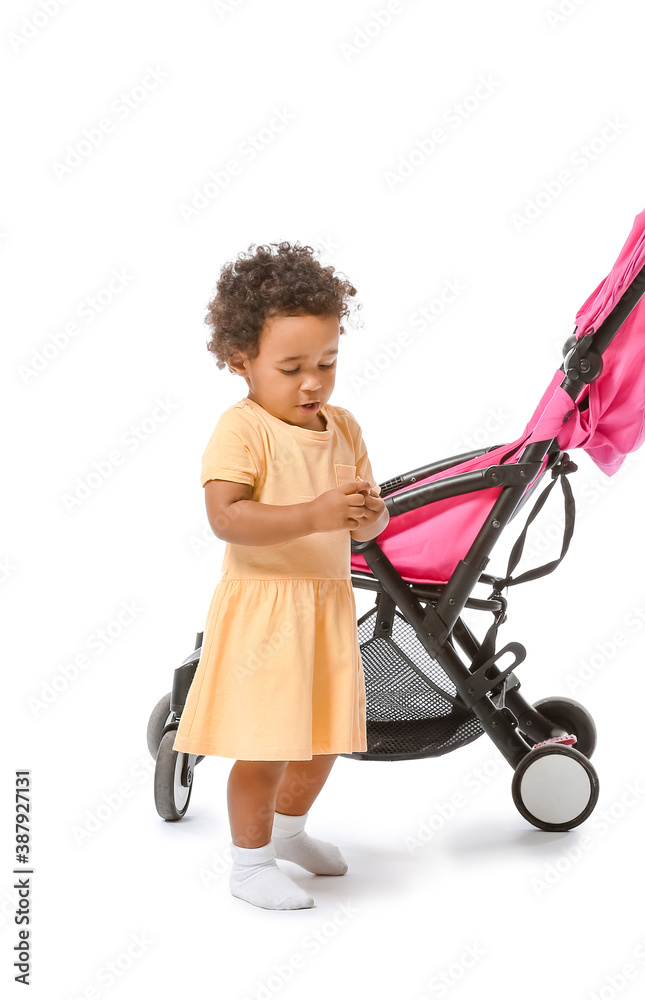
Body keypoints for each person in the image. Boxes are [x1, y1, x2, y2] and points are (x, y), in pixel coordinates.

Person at [173, 242, 389, 911]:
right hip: (265, 612)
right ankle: (248, 863)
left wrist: (366, 518)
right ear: (242, 363)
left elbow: (364, 525)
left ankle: (289, 834)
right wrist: (315, 511)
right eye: (291, 367)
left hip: (325, 606)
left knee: (323, 740)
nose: (312, 382)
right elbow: (227, 518)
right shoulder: (242, 430)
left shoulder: (342, 427)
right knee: (265, 745)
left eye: (325, 363)